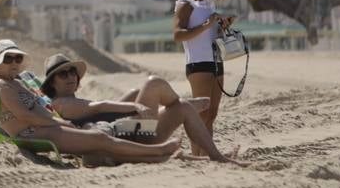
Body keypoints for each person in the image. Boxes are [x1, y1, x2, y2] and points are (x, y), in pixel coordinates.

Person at [0, 40, 182, 164]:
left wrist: (59, 122)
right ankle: (159, 151)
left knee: (100, 140)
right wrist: (60, 123)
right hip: (32, 134)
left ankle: (156, 153)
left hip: (46, 128)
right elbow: (25, 117)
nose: (14, 63)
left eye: (17, 58)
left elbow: (40, 110)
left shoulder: (15, 83)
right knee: (100, 138)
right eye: (8, 59)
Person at [40, 53, 239, 163]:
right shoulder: (60, 103)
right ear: (52, 83)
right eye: (63, 74)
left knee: (182, 107)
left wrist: (131, 101)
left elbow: (99, 113)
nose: (71, 77)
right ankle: (177, 102)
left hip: (129, 132)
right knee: (153, 83)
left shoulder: (74, 101)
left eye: (72, 72)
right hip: (122, 136)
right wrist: (133, 106)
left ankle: (216, 156)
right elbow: (99, 106)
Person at [173, 0, 236, 156]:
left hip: (216, 61)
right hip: (198, 63)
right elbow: (177, 35)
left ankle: (206, 154)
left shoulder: (210, 7)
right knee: (200, 114)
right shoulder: (186, 3)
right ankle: (195, 155)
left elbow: (210, 35)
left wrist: (221, 26)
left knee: (211, 114)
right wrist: (206, 25)